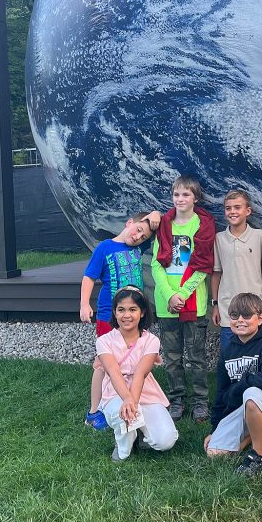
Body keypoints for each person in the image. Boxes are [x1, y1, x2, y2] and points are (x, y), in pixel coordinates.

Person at [80, 209, 160, 430]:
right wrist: (84, 304)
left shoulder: (137, 247)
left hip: (133, 318)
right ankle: (94, 412)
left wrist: (156, 213)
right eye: (138, 230)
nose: (138, 237)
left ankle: (126, 399)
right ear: (129, 223)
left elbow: (158, 224)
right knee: (103, 364)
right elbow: (89, 276)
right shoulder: (105, 247)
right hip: (109, 316)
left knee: (130, 361)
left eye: (143, 237)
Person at [152, 175, 215, 424]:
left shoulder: (203, 225)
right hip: (167, 304)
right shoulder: (165, 225)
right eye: (176, 194)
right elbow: (157, 265)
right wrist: (170, 294)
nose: (180, 199)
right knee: (172, 356)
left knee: (197, 356)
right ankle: (176, 399)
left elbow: (202, 266)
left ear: (195, 198)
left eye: (186, 194)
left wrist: (183, 293)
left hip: (193, 302)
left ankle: (201, 401)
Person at [204, 292, 262, 478]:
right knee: (214, 453)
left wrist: (240, 386)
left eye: (246, 316)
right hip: (241, 406)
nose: (240, 320)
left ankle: (259, 455)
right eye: (235, 316)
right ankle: (261, 434)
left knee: (252, 393)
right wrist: (215, 429)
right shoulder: (228, 350)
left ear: (260, 318)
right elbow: (221, 393)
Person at [96, 286, 178, 462]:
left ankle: (139, 435)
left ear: (141, 313)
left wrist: (131, 401)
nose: (126, 315)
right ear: (114, 312)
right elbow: (113, 372)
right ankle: (124, 445)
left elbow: (141, 372)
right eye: (121, 310)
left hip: (145, 391)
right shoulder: (103, 341)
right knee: (125, 414)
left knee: (165, 441)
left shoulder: (151, 340)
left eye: (133, 309)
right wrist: (127, 400)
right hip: (117, 392)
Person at [212, 188, 262, 356]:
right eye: (228, 208)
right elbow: (216, 273)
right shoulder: (218, 239)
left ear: (248, 211)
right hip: (228, 309)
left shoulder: (260, 236)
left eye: (237, 207)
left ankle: (256, 384)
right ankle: (233, 384)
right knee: (230, 357)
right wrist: (215, 305)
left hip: (256, 307)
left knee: (258, 356)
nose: (232, 211)